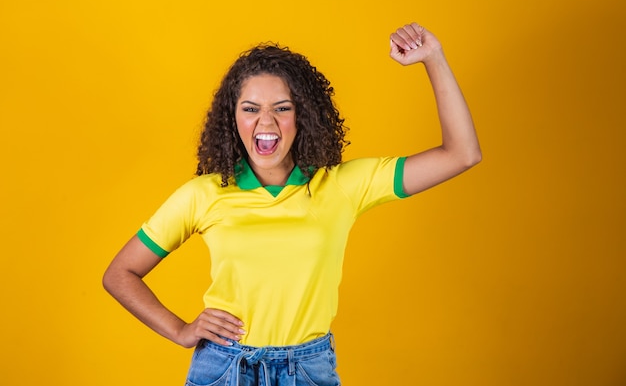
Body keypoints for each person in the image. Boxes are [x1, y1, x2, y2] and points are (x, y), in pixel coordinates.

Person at [103, 22, 481, 386]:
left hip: (306, 368)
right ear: (232, 118)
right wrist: (180, 330)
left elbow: (461, 154)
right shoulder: (203, 193)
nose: (265, 121)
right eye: (250, 109)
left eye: (282, 108)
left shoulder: (342, 185)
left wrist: (433, 57)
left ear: (303, 116)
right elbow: (120, 274)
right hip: (223, 366)